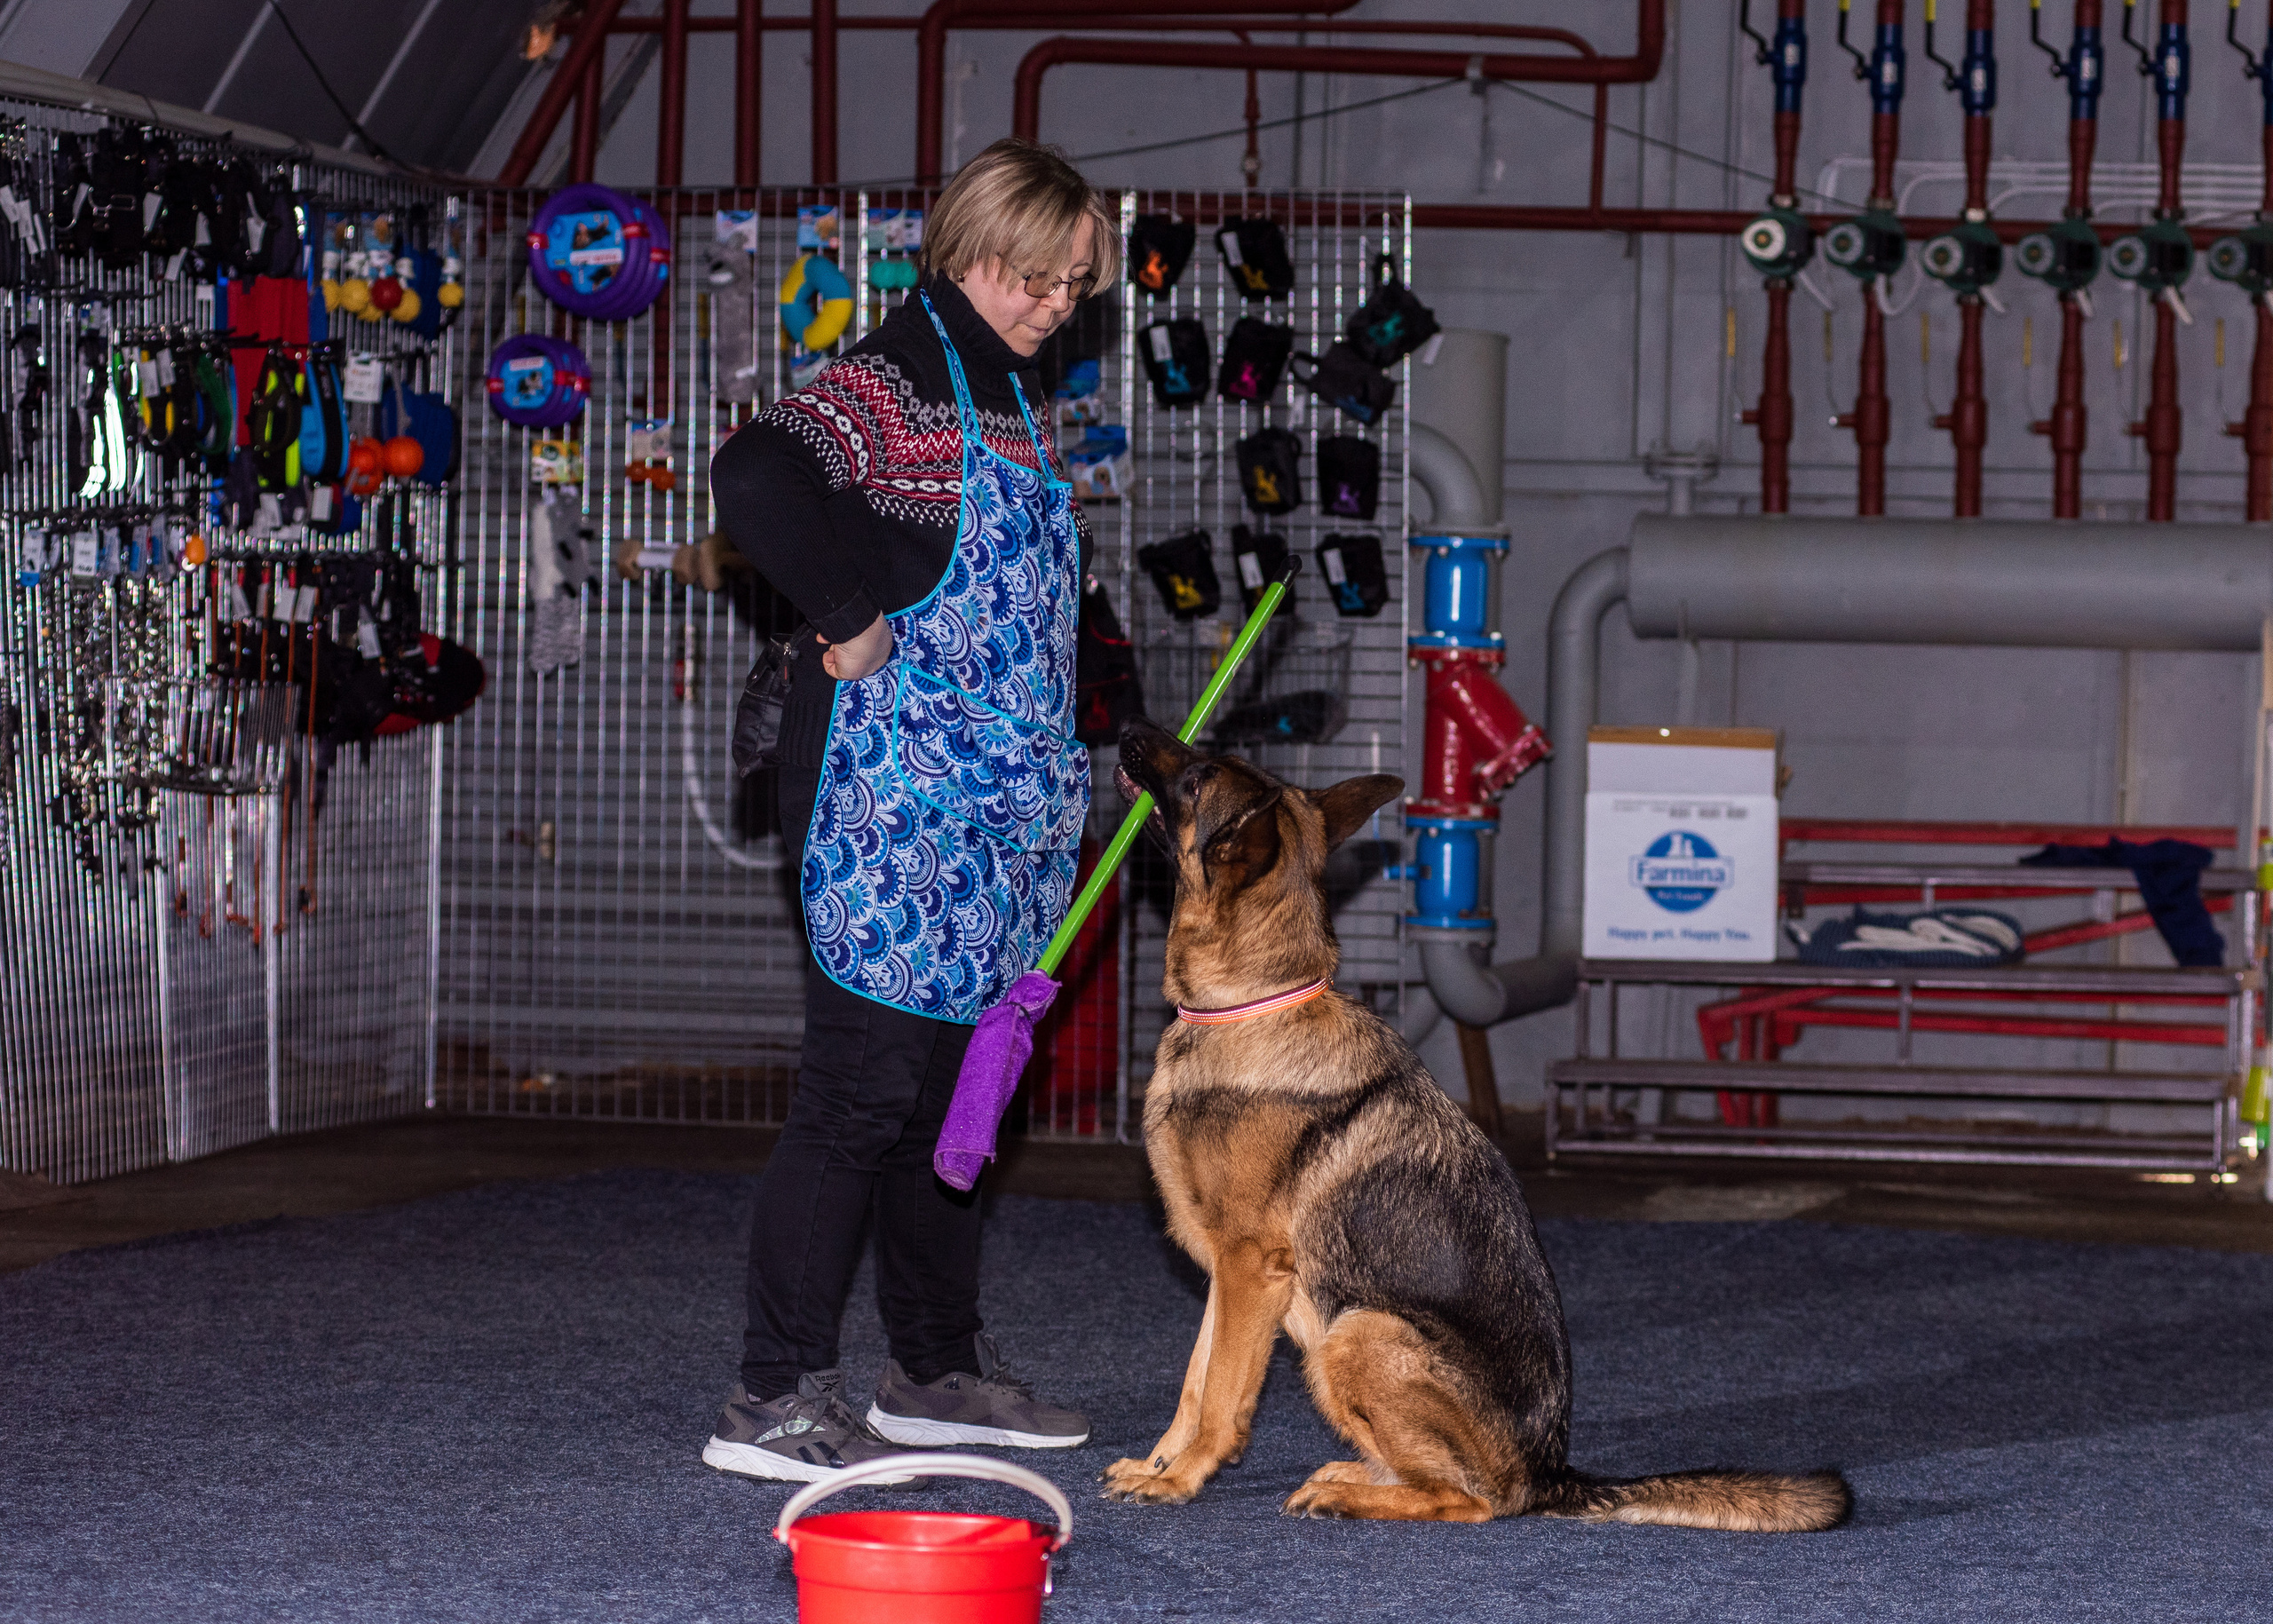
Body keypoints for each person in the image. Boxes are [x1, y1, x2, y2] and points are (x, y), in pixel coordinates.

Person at [702, 139, 1117, 1484]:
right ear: (970, 252)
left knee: (954, 1101)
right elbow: (755, 475)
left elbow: (1040, 606)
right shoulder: (896, 382)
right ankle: (772, 1395)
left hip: (996, 820)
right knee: (859, 1092)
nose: (1056, 305)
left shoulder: (1009, 400)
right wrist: (850, 619)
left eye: (1075, 288)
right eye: (1037, 278)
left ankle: (933, 1368)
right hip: (888, 807)